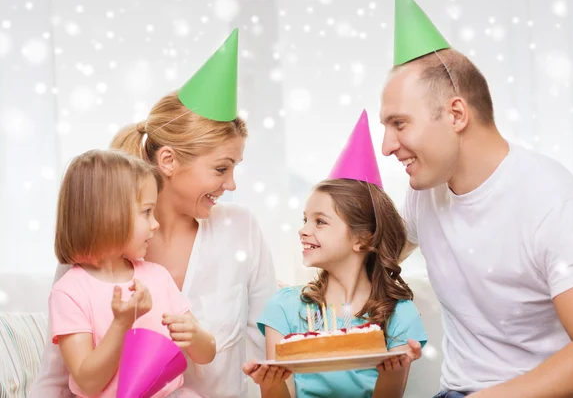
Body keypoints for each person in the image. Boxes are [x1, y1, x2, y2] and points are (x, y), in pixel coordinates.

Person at [30, 29, 278, 398]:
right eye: (221, 168)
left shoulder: (242, 230)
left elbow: (265, 353)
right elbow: (59, 372)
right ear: (169, 161)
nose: (231, 185)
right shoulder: (95, 247)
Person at [379, 0, 573, 397]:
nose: (387, 145)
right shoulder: (424, 195)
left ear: (457, 114)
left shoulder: (554, 203)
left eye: (399, 124)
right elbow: (374, 258)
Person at [244, 111, 427, 397]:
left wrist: (394, 372)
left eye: (320, 221)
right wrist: (270, 383)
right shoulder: (286, 308)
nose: (303, 230)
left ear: (362, 239)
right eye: (305, 219)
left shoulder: (398, 316)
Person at [50, 149, 214, 397]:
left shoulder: (157, 277)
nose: (155, 223)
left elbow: (207, 353)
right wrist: (122, 323)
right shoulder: (69, 292)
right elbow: (88, 381)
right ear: (108, 216)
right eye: (147, 212)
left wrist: (195, 335)